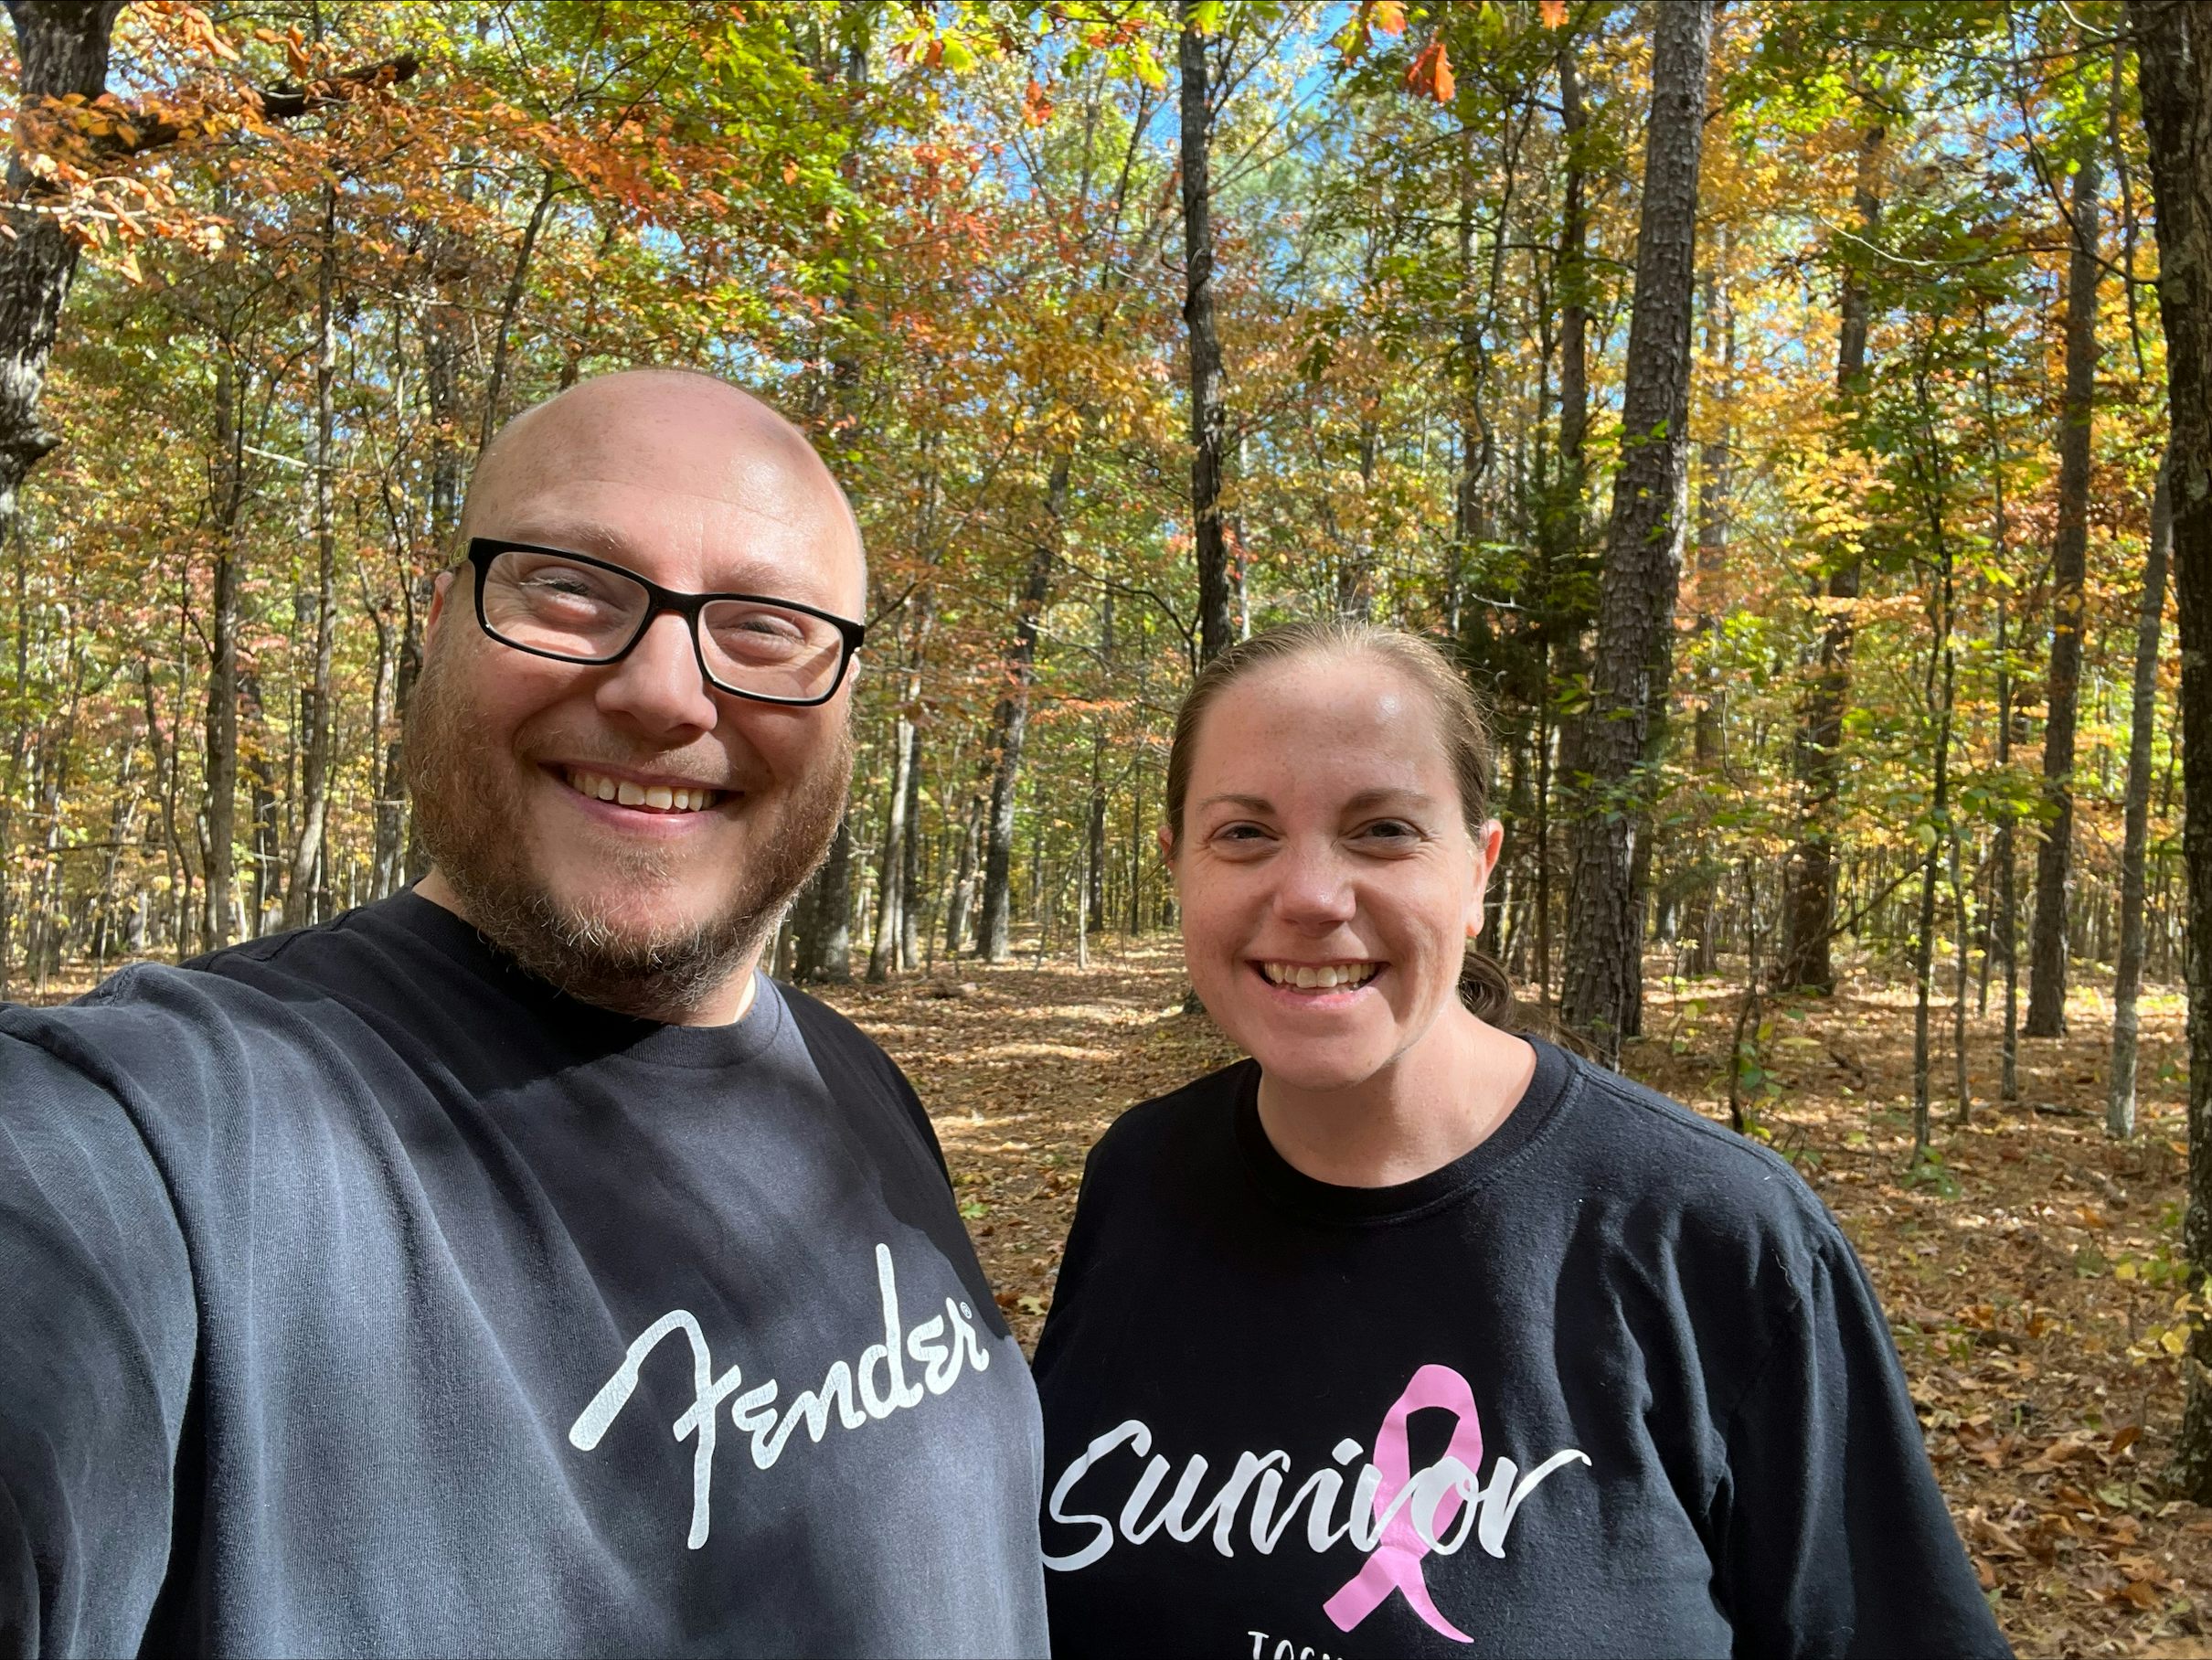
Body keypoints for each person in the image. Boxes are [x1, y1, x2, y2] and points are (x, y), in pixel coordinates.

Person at [0, 369, 1049, 1657]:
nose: (667, 692)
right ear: (441, 625)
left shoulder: (855, 1085)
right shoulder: (157, 1142)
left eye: (765, 628)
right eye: (571, 587)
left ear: (843, 704)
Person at [1032, 620, 2009, 1659]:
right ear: (1177, 861)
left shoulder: (1711, 1232)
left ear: (1477, 870)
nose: (1311, 895)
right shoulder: (1137, 1177)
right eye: (1243, 833)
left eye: (1381, 831)